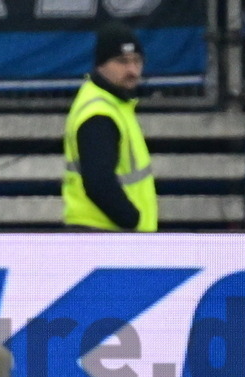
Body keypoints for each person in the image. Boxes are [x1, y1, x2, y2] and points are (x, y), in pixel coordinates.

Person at [63, 21, 157, 232]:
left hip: (107, 234)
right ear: (100, 64)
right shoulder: (100, 113)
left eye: (137, 61)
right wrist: (132, 219)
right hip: (104, 236)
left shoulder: (113, 103)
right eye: (122, 62)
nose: (132, 70)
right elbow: (99, 182)